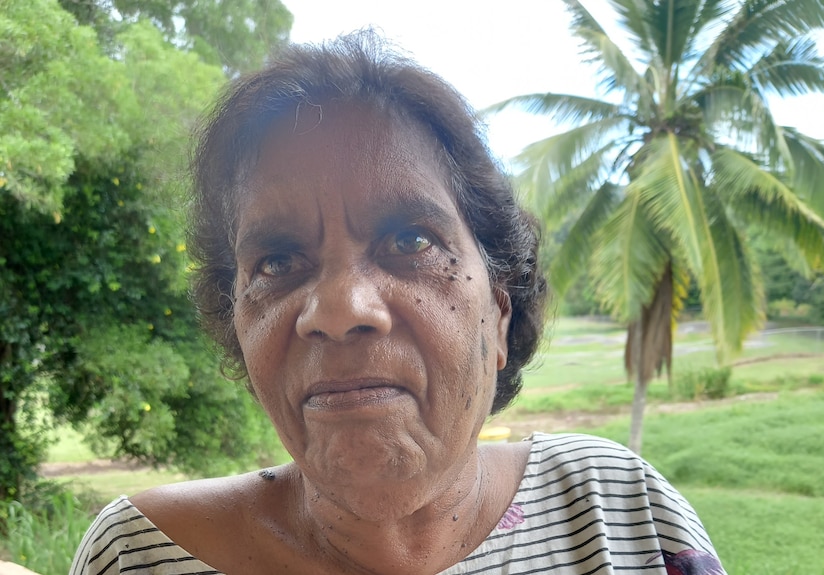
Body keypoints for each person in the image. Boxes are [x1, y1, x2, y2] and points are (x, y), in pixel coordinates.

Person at [69, 31, 725, 575]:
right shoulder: (139, 556)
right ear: (240, 325)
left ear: (499, 313)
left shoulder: (620, 514)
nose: (337, 307)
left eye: (410, 239)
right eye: (276, 261)